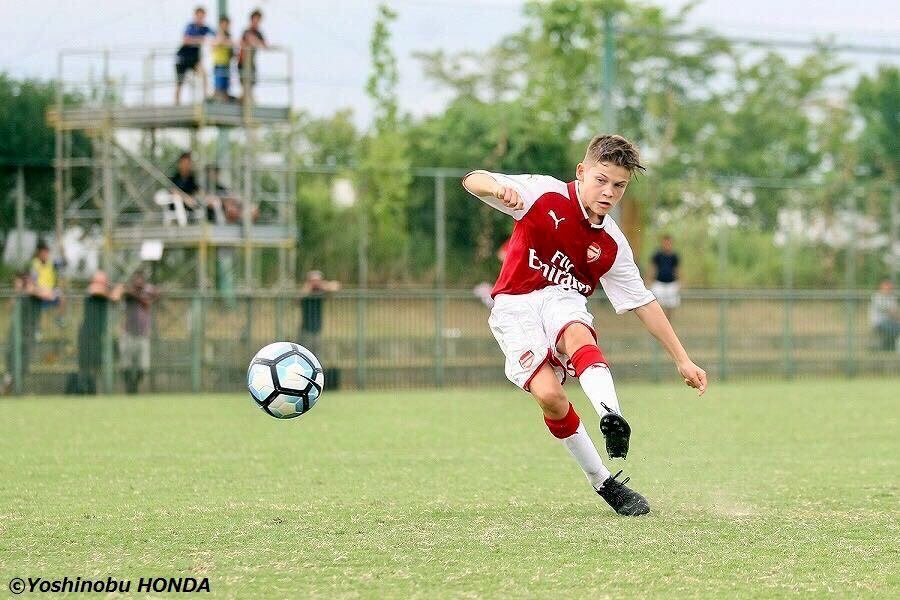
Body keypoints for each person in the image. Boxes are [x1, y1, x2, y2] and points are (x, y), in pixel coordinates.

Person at [461, 134, 707, 517]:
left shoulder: (611, 244)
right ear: (582, 171)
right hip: (515, 306)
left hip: (563, 299)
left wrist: (682, 359)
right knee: (550, 397)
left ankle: (612, 414)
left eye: (619, 185)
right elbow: (472, 179)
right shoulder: (544, 194)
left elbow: (643, 301)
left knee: (575, 329)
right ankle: (602, 480)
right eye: (601, 180)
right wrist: (496, 188)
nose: (609, 192)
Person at [2, 272, 48, 394]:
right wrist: (17, 293)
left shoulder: (35, 292)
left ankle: (17, 387)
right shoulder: (19, 295)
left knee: (24, 361)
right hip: (15, 332)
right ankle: (8, 384)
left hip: (29, 333)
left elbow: (49, 295)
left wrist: (30, 289)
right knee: (10, 357)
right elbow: (9, 308)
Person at [77, 271, 123, 394]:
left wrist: (117, 289)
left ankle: (92, 390)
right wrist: (112, 290)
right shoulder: (93, 289)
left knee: (96, 364)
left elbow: (116, 297)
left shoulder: (105, 292)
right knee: (85, 364)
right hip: (87, 333)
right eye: (101, 281)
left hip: (99, 335)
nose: (103, 283)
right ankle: (82, 390)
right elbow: (99, 291)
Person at [120, 270, 159, 394]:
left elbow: (156, 294)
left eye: (140, 279)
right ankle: (129, 388)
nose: (138, 281)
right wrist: (139, 295)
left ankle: (135, 385)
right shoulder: (129, 293)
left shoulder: (147, 291)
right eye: (136, 279)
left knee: (144, 366)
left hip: (143, 334)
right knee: (126, 363)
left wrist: (144, 295)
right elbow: (124, 294)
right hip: (128, 333)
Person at [175, 6, 215, 105]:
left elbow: (215, 36)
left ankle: (206, 98)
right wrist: (200, 40)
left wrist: (213, 42)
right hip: (183, 58)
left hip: (194, 59)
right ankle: (177, 103)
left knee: (204, 74)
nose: (200, 18)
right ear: (195, 16)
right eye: (199, 16)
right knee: (180, 82)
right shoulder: (190, 26)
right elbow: (186, 39)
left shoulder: (205, 28)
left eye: (202, 16)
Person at [299, 271, 340, 359]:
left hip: (317, 328)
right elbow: (298, 297)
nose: (315, 283)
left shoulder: (321, 292)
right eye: (313, 281)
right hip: (306, 328)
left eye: (317, 280)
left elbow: (335, 286)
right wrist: (309, 287)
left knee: (317, 354)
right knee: (304, 353)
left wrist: (322, 285)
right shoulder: (306, 292)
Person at [238, 9, 267, 102]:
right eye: (255, 19)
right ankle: (246, 100)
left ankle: (247, 100)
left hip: (252, 62)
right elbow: (243, 42)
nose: (257, 22)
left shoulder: (258, 33)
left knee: (251, 83)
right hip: (243, 61)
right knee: (245, 83)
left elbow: (264, 45)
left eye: (258, 20)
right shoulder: (246, 31)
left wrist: (255, 41)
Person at [650, 234, 680, 318]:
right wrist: (649, 280)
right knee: (657, 304)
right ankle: (660, 320)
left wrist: (681, 281)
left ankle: (668, 322)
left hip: (671, 283)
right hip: (659, 283)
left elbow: (677, 269)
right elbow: (653, 268)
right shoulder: (657, 255)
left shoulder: (674, 256)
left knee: (670, 305)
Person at [869, 279, 900, 351]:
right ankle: (887, 347)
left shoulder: (892, 297)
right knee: (894, 327)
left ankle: (889, 347)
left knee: (895, 326)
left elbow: (896, 311)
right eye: (887, 287)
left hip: (891, 322)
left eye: (890, 287)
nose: (889, 289)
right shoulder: (877, 297)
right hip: (879, 323)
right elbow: (891, 312)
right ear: (881, 287)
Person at [211, 15, 234, 102]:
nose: (225, 26)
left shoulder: (228, 35)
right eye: (224, 24)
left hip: (227, 63)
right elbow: (214, 44)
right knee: (219, 85)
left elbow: (231, 45)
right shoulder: (217, 34)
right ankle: (218, 102)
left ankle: (224, 102)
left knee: (226, 86)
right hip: (219, 63)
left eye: (227, 24)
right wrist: (223, 41)